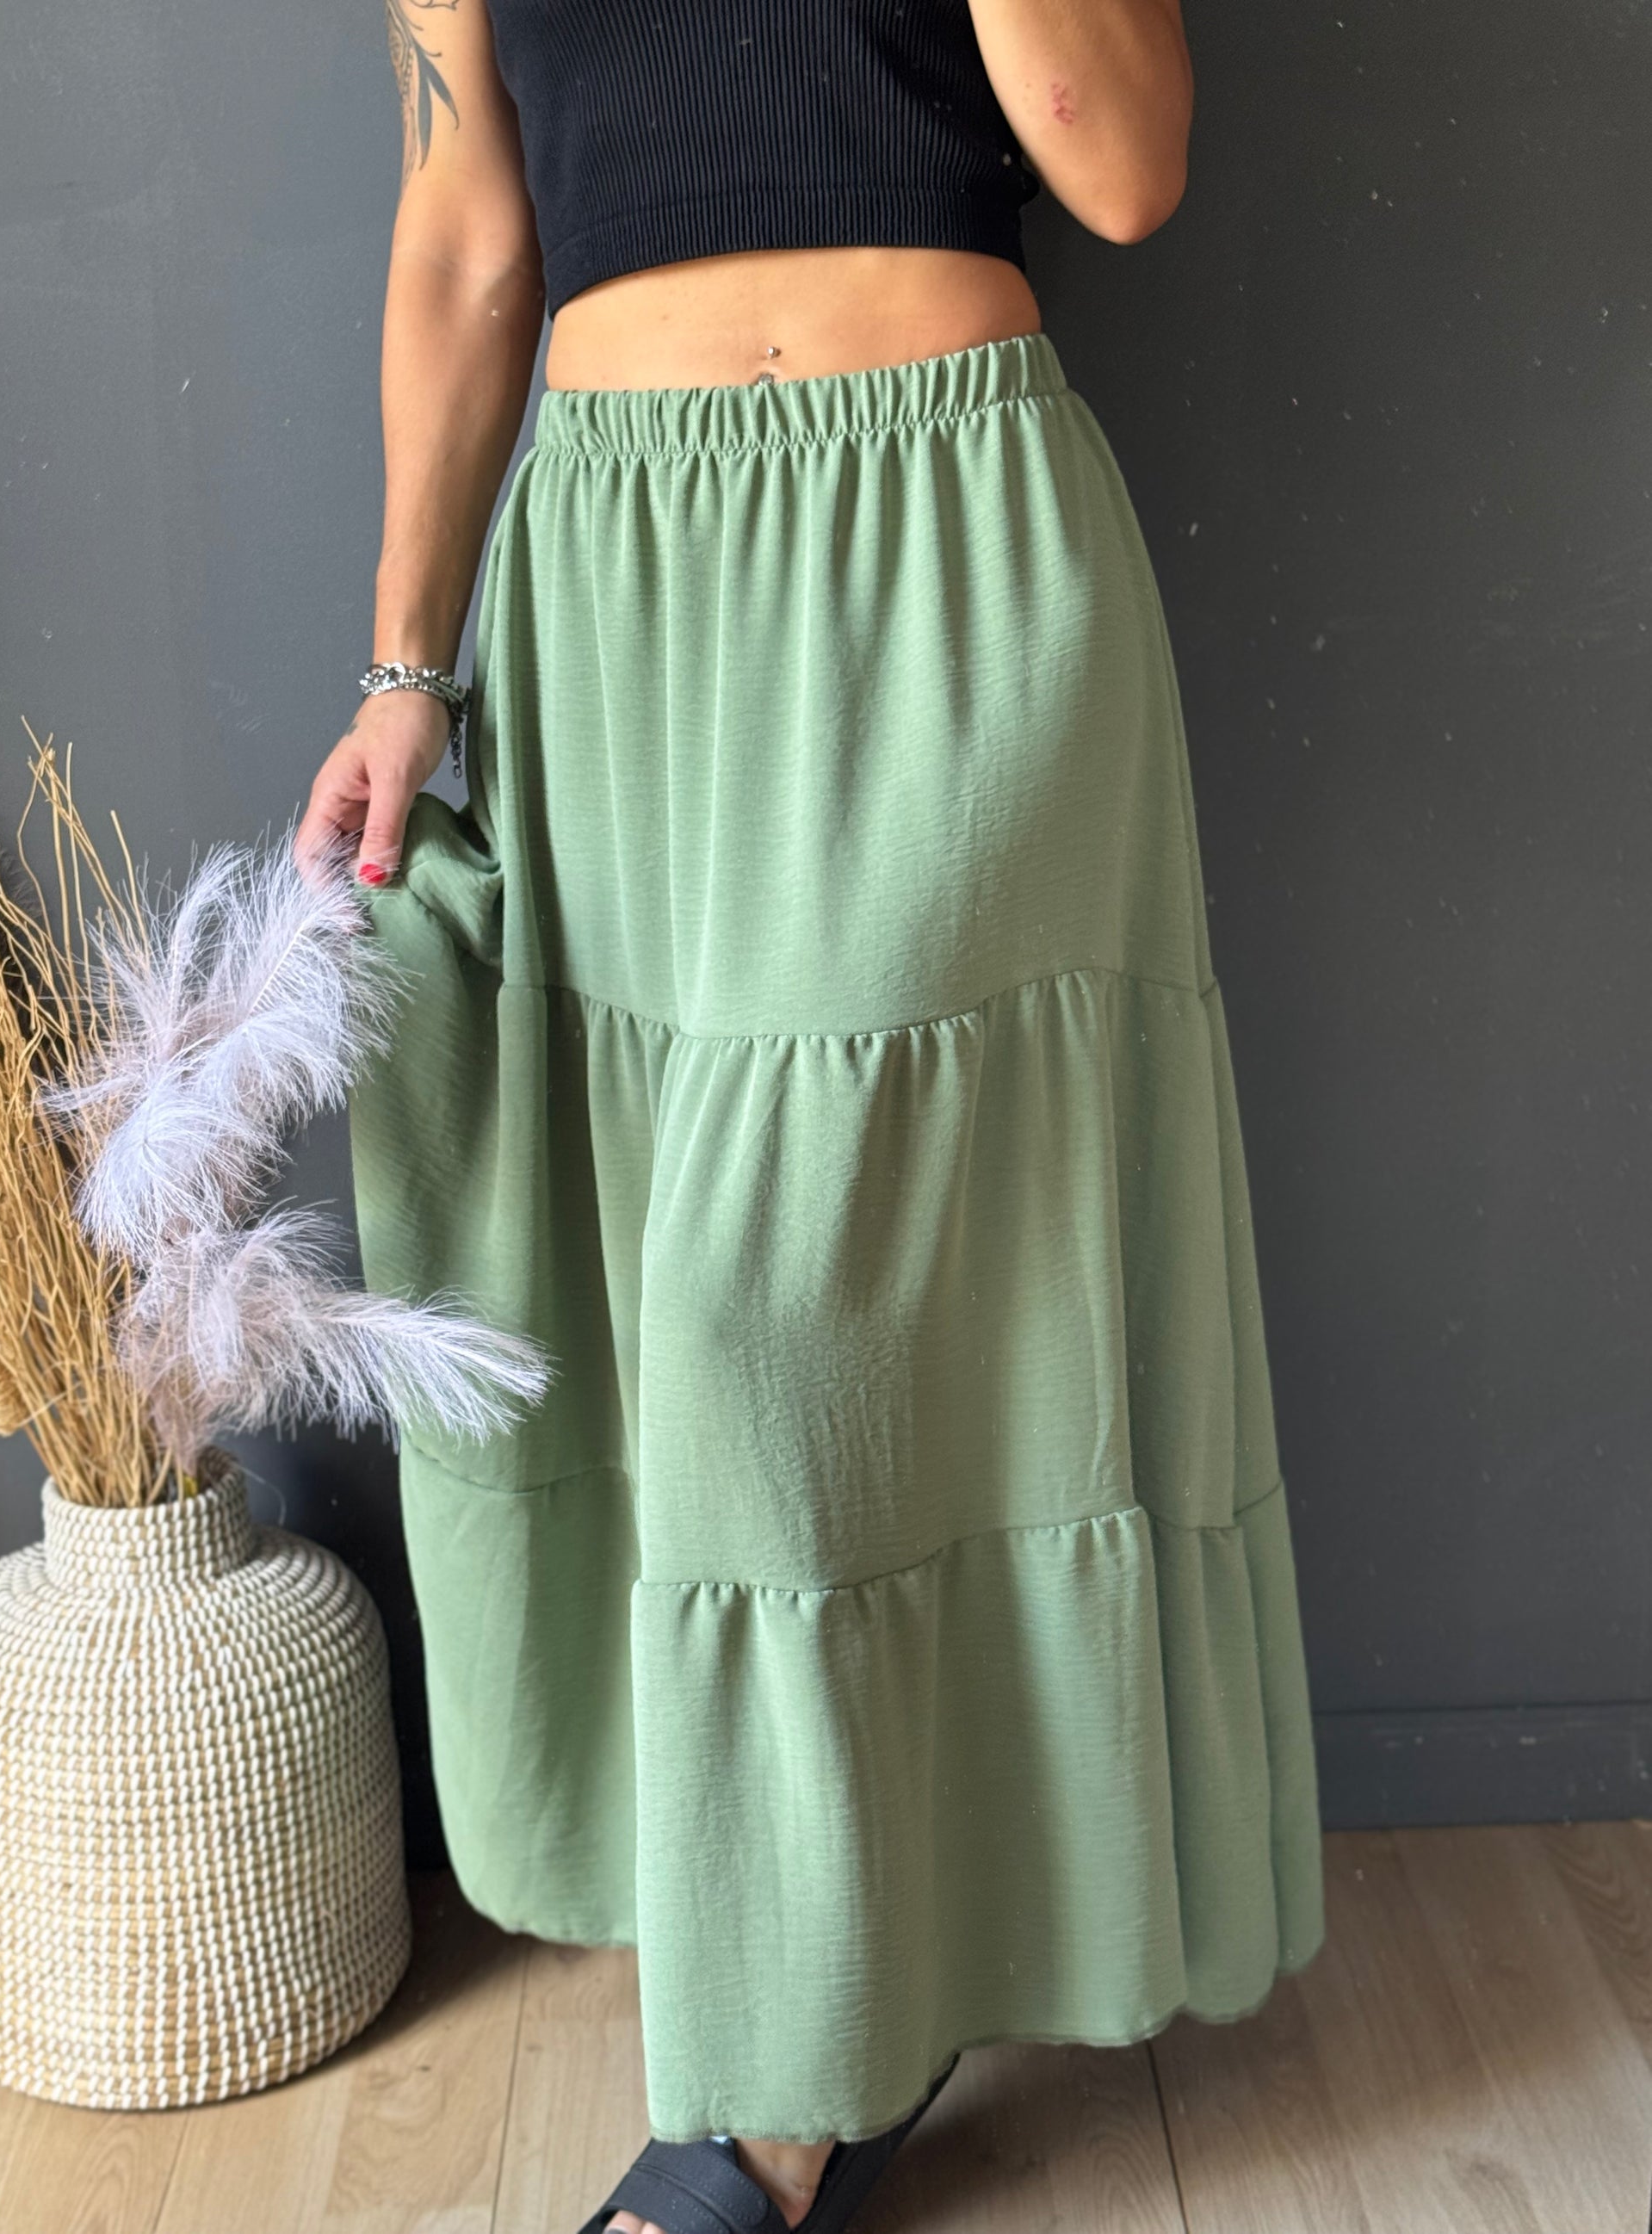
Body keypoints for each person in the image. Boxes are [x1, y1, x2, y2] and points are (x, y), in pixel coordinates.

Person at [295, 6, 1327, 2232]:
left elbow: (1121, 160)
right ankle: (845, 1973)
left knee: (776, 1307)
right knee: (706, 1349)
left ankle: (776, 2100)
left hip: (947, 535)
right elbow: (468, 228)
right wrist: (406, 664)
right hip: (621, 596)